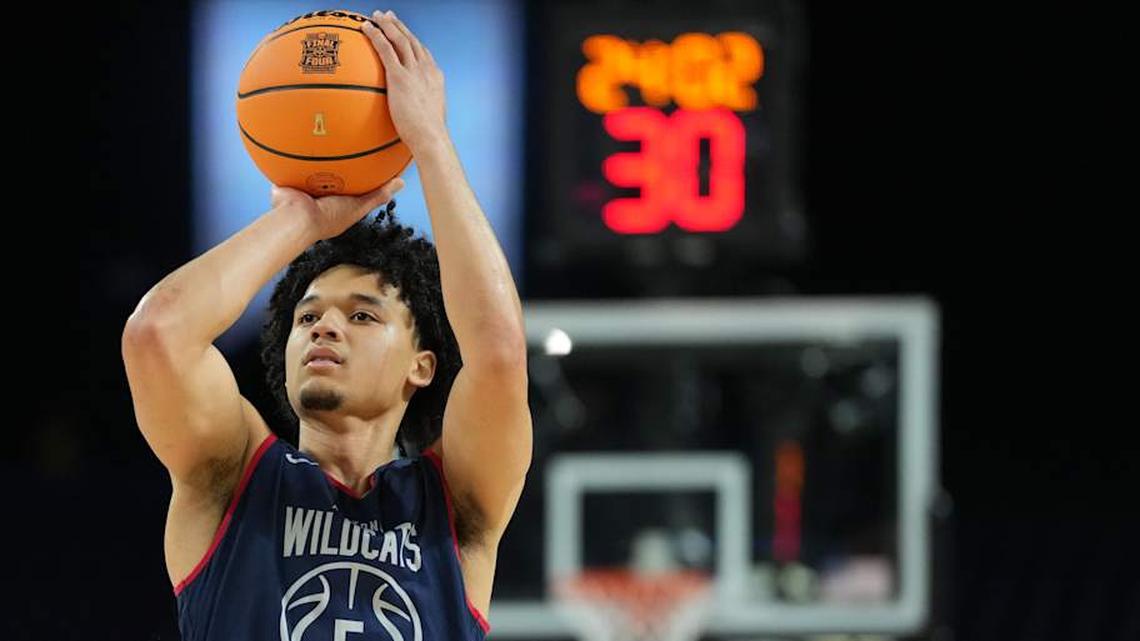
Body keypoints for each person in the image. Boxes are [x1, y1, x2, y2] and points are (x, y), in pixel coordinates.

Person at [121, 10, 530, 640]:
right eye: (307, 316)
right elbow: (158, 337)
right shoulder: (231, 477)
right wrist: (305, 221)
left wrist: (433, 145)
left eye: (362, 314)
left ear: (422, 365)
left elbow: (499, 353)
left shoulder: (456, 504)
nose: (324, 328)